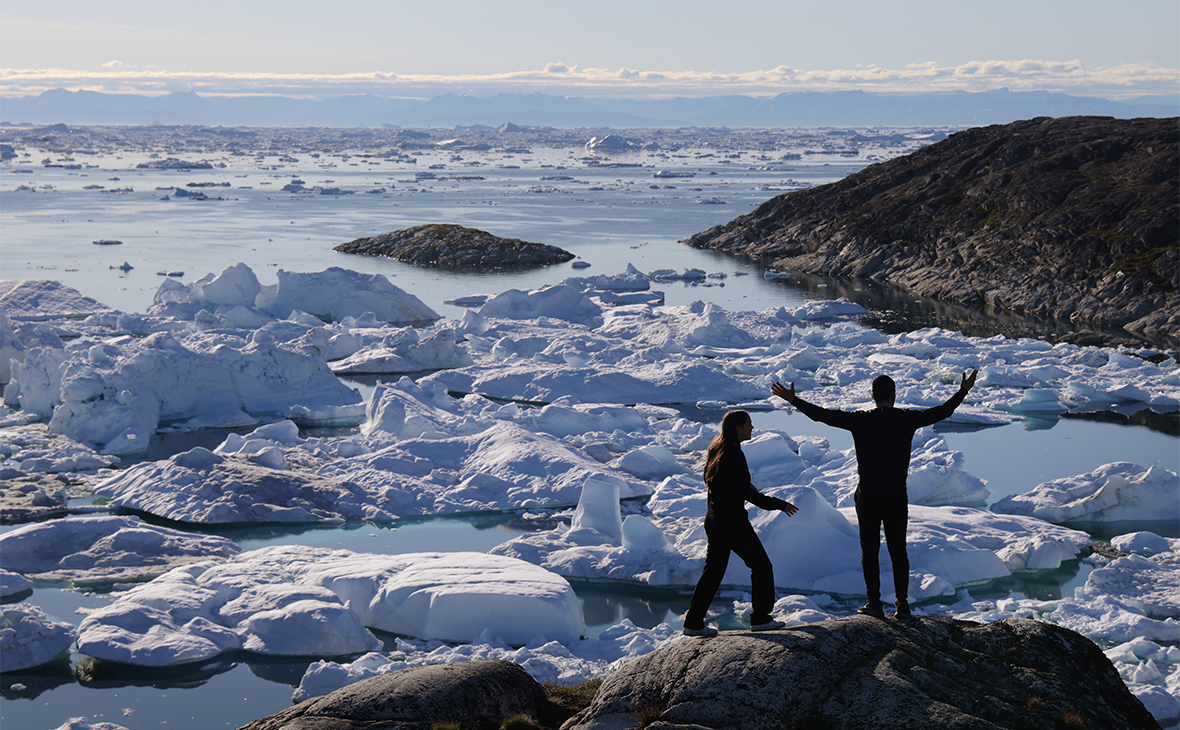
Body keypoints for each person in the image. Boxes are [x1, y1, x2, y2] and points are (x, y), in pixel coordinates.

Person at [771, 370, 978, 619]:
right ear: (893, 395)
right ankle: (902, 605)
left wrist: (794, 400)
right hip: (895, 495)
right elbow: (942, 411)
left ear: (872, 396)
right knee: (898, 550)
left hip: (868, 494)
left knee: (869, 551)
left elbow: (823, 416)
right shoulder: (906, 419)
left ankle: (875, 604)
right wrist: (963, 390)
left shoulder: (861, 420)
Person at [683, 410, 799, 637]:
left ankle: (693, 622)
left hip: (714, 519)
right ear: (738, 428)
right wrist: (780, 504)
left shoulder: (717, 449)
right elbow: (748, 494)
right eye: (749, 425)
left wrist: (744, 488)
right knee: (762, 566)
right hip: (732, 522)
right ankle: (761, 618)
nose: (752, 428)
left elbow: (723, 483)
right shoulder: (734, 454)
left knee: (713, 572)